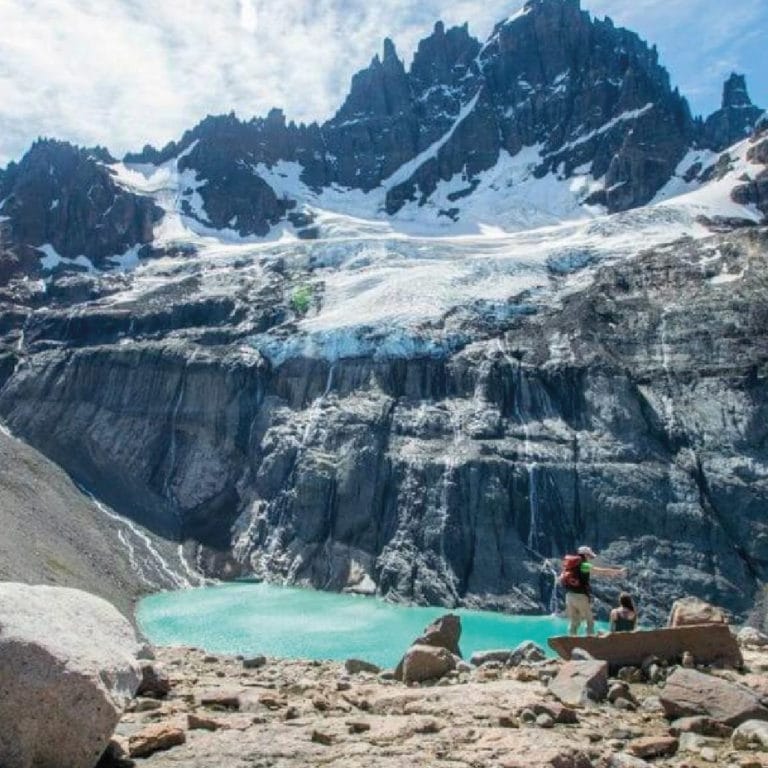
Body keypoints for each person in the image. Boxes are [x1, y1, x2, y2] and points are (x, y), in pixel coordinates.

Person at [564, 545, 626, 636]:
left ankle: (571, 639)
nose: (590, 558)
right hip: (580, 596)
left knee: (574, 621)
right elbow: (601, 571)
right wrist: (618, 572)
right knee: (589, 620)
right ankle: (590, 639)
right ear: (585, 555)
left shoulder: (571, 566)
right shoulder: (584, 565)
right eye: (589, 556)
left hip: (569, 596)